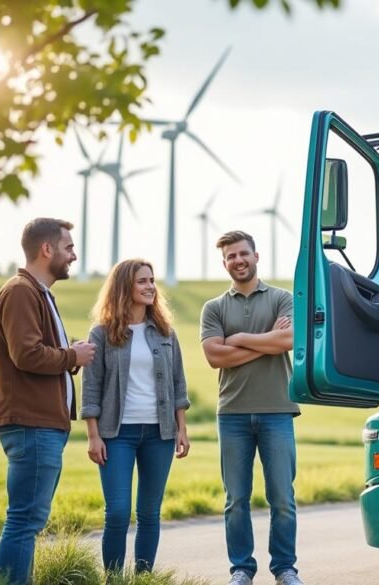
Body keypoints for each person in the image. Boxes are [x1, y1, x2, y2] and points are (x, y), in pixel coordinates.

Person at [0, 218, 97, 584]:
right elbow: (27, 355)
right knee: (24, 519)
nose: (73, 256)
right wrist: (71, 357)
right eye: (68, 247)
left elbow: (37, 353)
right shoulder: (21, 292)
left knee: (27, 518)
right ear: (46, 249)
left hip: (43, 422)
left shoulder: (39, 293)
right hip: (31, 422)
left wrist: (69, 356)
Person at [199, 231, 303, 585]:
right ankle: (241, 569)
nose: (238, 261)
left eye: (243, 254)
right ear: (224, 262)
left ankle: (285, 568)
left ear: (256, 256)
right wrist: (267, 342)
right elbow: (214, 356)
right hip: (232, 414)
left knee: (282, 498)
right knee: (236, 500)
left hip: (277, 410)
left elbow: (288, 339)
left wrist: (239, 340)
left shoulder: (282, 298)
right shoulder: (214, 308)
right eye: (231, 256)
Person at [81, 259, 191, 576]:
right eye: (142, 281)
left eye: (152, 281)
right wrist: (93, 434)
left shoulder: (165, 332)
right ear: (123, 287)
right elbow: (91, 387)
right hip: (117, 435)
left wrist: (181, 429)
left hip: (160, 434)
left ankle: (143, 579)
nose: (150, 287)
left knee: (149, 513)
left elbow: (178, 383)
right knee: (117, 512)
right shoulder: (101, 333)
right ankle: (113, 579)